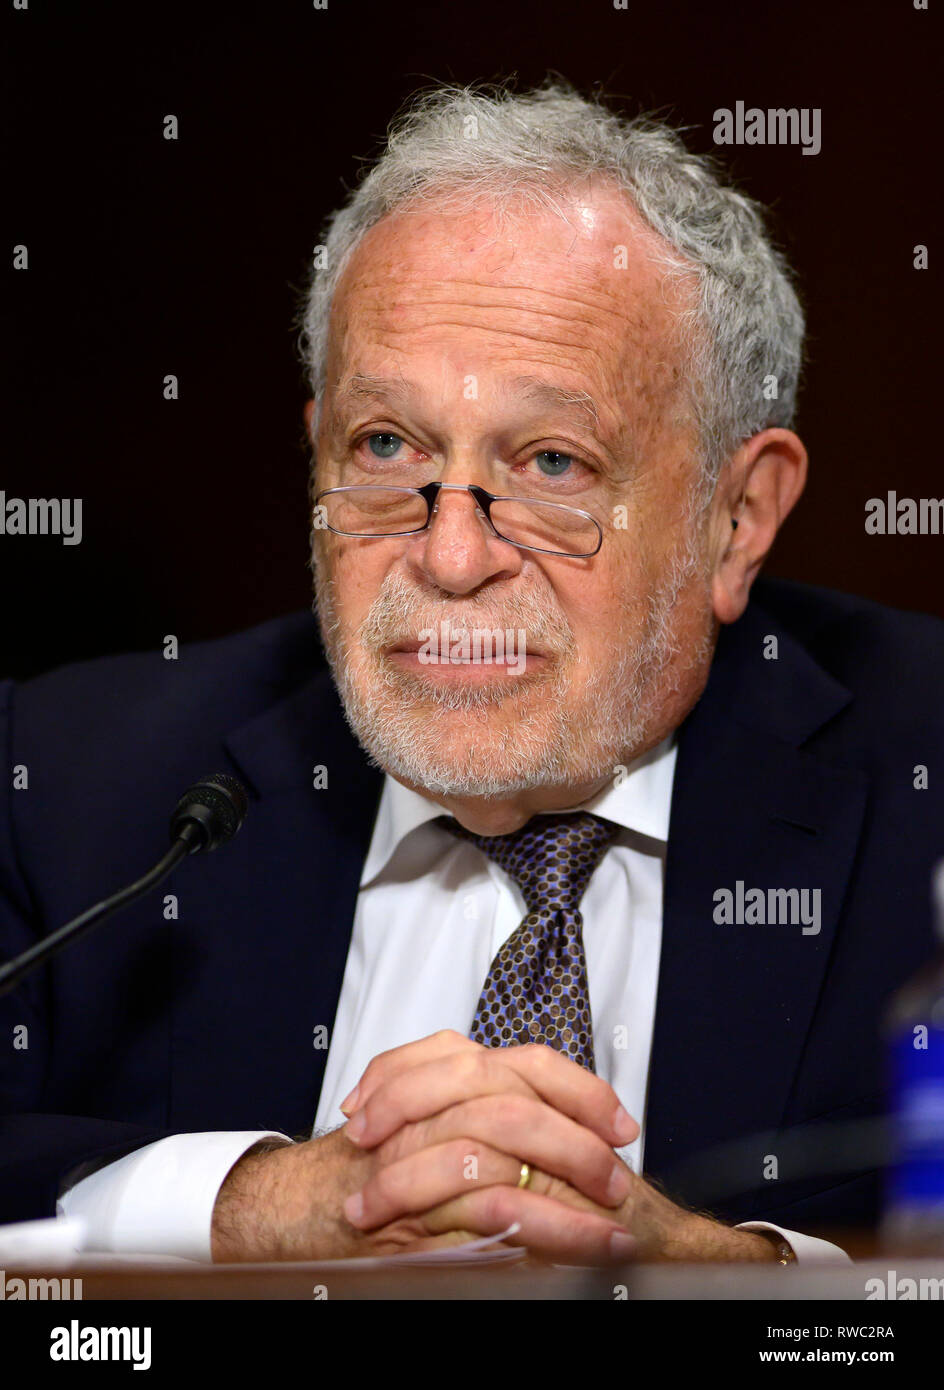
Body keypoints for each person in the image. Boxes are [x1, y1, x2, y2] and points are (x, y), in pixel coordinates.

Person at [2, 79, 942, 1267]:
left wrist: (733, 1287)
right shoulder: (69, 786)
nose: (449, 558)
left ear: (735, 517)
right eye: (385, 447)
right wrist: (237, 1210)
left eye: (551, 462)